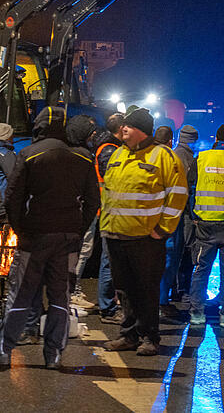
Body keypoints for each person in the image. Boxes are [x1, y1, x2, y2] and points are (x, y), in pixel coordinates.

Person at [0, 106, 100, 368]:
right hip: (67, 240)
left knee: (21, 295)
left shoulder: (30, 154)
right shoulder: (84, 158)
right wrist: (77, 228)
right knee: (60, 297)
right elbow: (92, 202)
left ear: (39, 126)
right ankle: (53, 354)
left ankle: (3, 350)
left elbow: (13, 197)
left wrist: (21, 229)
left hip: (35, 237)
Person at [99, 107, 188, 356]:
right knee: (124, 289)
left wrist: (161, 231)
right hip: (115, 235)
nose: (123, 129)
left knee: (146, 289)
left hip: (146, 239)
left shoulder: (164, 157)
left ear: (141, 130)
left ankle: (150, 336)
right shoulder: (118, 155)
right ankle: (129, 334)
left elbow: (178, 196)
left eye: (128, 125)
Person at [188, 124, 224, 329]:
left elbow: (190, 187)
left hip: (205, 223)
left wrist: (193, 214)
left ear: (217, 138)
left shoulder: (201, 158)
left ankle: (196, 312)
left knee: (201, 269)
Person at [159, 125, 198, 315]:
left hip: (156, 214)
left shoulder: (166, 155)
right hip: (177, 214)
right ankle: (166, 297)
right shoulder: (183, 158)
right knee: (174, 255)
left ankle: (164, 295)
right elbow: (185, 190)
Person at [93, 113, 126, 325]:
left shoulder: (109, 148)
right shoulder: (109, 150)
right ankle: (107, 308)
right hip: (108, 211)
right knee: (109, 261)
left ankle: (109, 304)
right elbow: (113, 179)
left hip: (111, 211)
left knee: (111, 261)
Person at [65, 114, 99, 313]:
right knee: (81, 253)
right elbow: (91, 193)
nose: (93, 135)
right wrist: (86, 220)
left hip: (68, 213)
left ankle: (70, 291)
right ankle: (73, 292)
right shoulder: (84, 156)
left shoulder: (62, 151)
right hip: (80, 212)